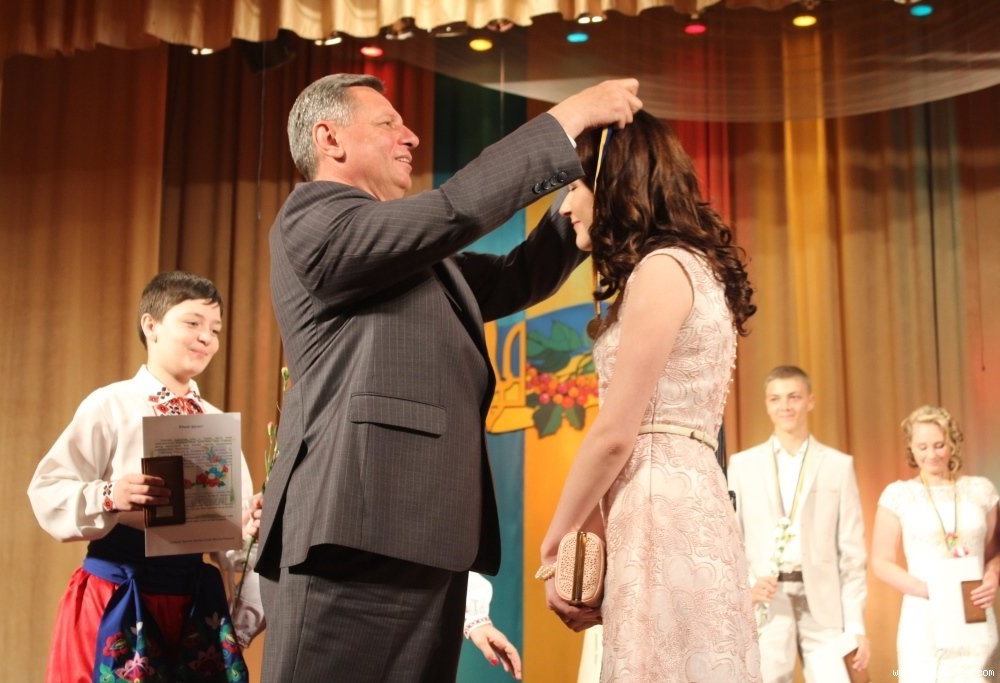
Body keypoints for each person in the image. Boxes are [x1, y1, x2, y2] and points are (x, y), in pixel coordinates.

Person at [253, 73, 642, 682]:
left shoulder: (410, 254)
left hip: (426, 534)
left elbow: (517, 277)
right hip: (351, 532)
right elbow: (454, 209)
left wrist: (581, 205)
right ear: (329, 139)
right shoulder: (313, 218)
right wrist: (567, 120)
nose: (410, 136)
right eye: (388, 123)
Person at [538, 111, 760, 681]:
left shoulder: (661, 271)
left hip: (658, 505)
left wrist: (557, 542)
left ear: (613, 184)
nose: (566, 207)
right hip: (682, 497)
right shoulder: (691, 268)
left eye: (575, 187)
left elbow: (615, 435)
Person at [27, 271, 259, 682]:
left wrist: (245, 530)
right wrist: (110, 495)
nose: (206, 338)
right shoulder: (111, 405)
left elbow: (234, 549)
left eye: (215, 329)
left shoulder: (215, 422)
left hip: (192, 607)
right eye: (193, 323)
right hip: (116, 594)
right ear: (151, 325)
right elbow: (48, 489)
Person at [727, 365, 869, 682]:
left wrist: (856, 625)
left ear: (810, 401)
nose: (785, 406)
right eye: (775, 399)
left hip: (823, 598)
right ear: (767, 404)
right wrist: (748, 585)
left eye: (794, 397)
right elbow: (732, 538)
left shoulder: (838, 465)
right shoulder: (743, 465)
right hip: (767, 599)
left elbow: (852, 552)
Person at [870, 405, 999, 681]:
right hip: (923, 617)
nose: (932, 454)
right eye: (923, 447)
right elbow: (881, 562)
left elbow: (994, 553)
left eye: (939, 445)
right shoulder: (899, 495)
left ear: (952, 444)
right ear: (911, 447)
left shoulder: (981, 490)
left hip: (973, 613)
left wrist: (992, 577)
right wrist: (931, 590)